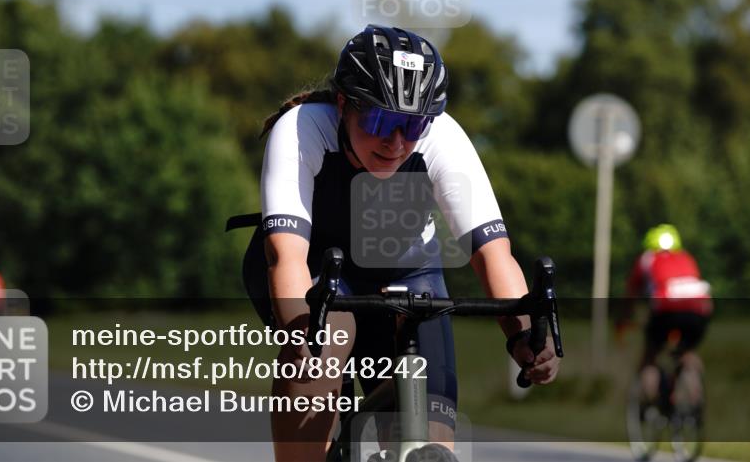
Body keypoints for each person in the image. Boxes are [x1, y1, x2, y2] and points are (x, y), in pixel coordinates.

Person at [239, 24, 560, 462]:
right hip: (317, 272)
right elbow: (286, 254)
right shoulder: (302, 129)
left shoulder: (442, 137)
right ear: (342, 105)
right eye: (380, 120)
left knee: (433, 442)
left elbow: (493, 254)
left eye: (412, 125)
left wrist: (525, 333)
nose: (396, 142)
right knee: (325, 340)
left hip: (408, 276)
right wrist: (303, 339)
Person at [624, 224, 712, 406]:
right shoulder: (686, 257)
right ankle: (695, 402)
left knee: (651, 356)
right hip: (699, 311)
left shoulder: (647, 259)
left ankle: (651, 402)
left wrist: (622, 320)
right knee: (687, 353)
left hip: (666, 312)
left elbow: (631, 295)